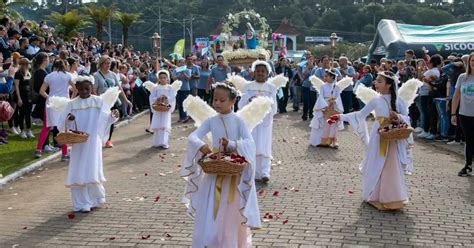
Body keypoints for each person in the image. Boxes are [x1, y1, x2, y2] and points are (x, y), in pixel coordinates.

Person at [181, 83, 261, 247]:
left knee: (229, 213)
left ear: (232, 101)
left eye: (222, 100)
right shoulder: (211, 120)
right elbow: (193, 136)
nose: (216, 103)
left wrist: (231, 144)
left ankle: (228, 242)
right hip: (214, 172)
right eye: (215, 99)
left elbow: (250, 143)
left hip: (233, 175)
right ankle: (210, 242)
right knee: (211, 210)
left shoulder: (239, 120)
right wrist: (200, 145)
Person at [335, 71, 412, 210]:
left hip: (392, 138)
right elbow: (360, 114)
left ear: (389, 85)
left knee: (391, 166)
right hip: (379, 137)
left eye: (379, 81)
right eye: (376, 80)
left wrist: (398, 118)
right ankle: (375, 195)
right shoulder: (376, 100)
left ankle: (392, 197)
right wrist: (340, 117)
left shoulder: (398, 101)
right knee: (376, 163)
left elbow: (407, 119)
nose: (375, 83)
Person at [58, 76, 119, 213]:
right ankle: (81, 202)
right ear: (77, 89)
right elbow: (62, 122)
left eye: (87, 88)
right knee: (79, 169)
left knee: (92, 168)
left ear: (92, 87)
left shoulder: (98, 101)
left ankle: (95, 199)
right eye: (81, 89)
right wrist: (69, 120)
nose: (84, 91)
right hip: (78, 142)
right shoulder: (72, 104)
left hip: (92, 141)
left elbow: (106, 119)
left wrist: (113, 115)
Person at [238, 60, 277, 183]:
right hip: (251, 120)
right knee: (251, 144)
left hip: (265, 121)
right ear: (254, 73)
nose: (260, 73)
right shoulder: (248, 86)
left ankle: (265, 172)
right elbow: (241, 104)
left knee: (264, 145)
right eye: (258, 71)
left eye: (263, 71)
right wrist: (251, 100)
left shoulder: (271, 88)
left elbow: (274, 106)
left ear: (267, 73)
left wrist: (265, 107)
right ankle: (251, 171)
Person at [37, 60, 76, 160]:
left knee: (46, 127)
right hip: (64, 103)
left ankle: (38, 149)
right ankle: (64, 154)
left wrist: (49, 98)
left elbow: (41, 91)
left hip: (51, 103)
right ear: (64, 66)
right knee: (63, 128)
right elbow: (75, 89)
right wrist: (70, 100)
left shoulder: (49, 76)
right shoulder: (68, 76)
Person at [451, 52, 474, 177]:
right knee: (469, 141)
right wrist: (453, 113)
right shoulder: (462, 77)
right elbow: (456, 96)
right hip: (465, 114)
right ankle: (468, 165)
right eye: (472, 60)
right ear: (469, 62)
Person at [309, 69, 344, 148]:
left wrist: (334, 103)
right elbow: (321, 96)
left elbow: (338, 97)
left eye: (327, 76)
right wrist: (325, 105)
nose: (325, 78)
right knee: (325, 124)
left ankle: (333, 140)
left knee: (333, 124)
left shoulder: (337, 87)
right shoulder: (323, 86)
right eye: (325, 76)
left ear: (332, 77)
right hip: (325, 107)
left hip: (334, 107)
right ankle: (323, 141)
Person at [149, 70, 176, 149]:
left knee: (164, 125)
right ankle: (156, 142)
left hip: (165, 109)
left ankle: (164, 142)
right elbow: (151, 97)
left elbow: (172, 98)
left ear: (167, 78)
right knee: (158, 125)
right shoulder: (156, 88)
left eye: (164, 78)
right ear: (158, 79)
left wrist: (166, 97)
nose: (163, 79)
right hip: (158, 108)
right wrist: (157, 98)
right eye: (161, 78)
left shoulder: (170, 88)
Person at [14, 58, 34, 139]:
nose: (29, 65)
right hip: (21, 95)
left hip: (28, 96)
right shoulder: (18, 73)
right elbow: (16, 86)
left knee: (28, 113)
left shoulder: (29, 73)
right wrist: (19, 98)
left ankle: (29, 130)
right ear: (24, 64)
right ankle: (22, 130)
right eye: (28, 64)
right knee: (22, 113)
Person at [172, 58, 192, 123]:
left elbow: (188, 78)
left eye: (183, 62)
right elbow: (173, 78)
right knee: (179, 103)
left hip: (186, 89)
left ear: (185, 63)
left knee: (185, 103)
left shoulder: (188, 70)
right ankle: (181, 117)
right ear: (178, 63)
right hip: (178, 89)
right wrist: (179, 75)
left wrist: (184, 74)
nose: (182, 64)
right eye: (180, 62)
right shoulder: (175, 70)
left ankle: (185, 117)